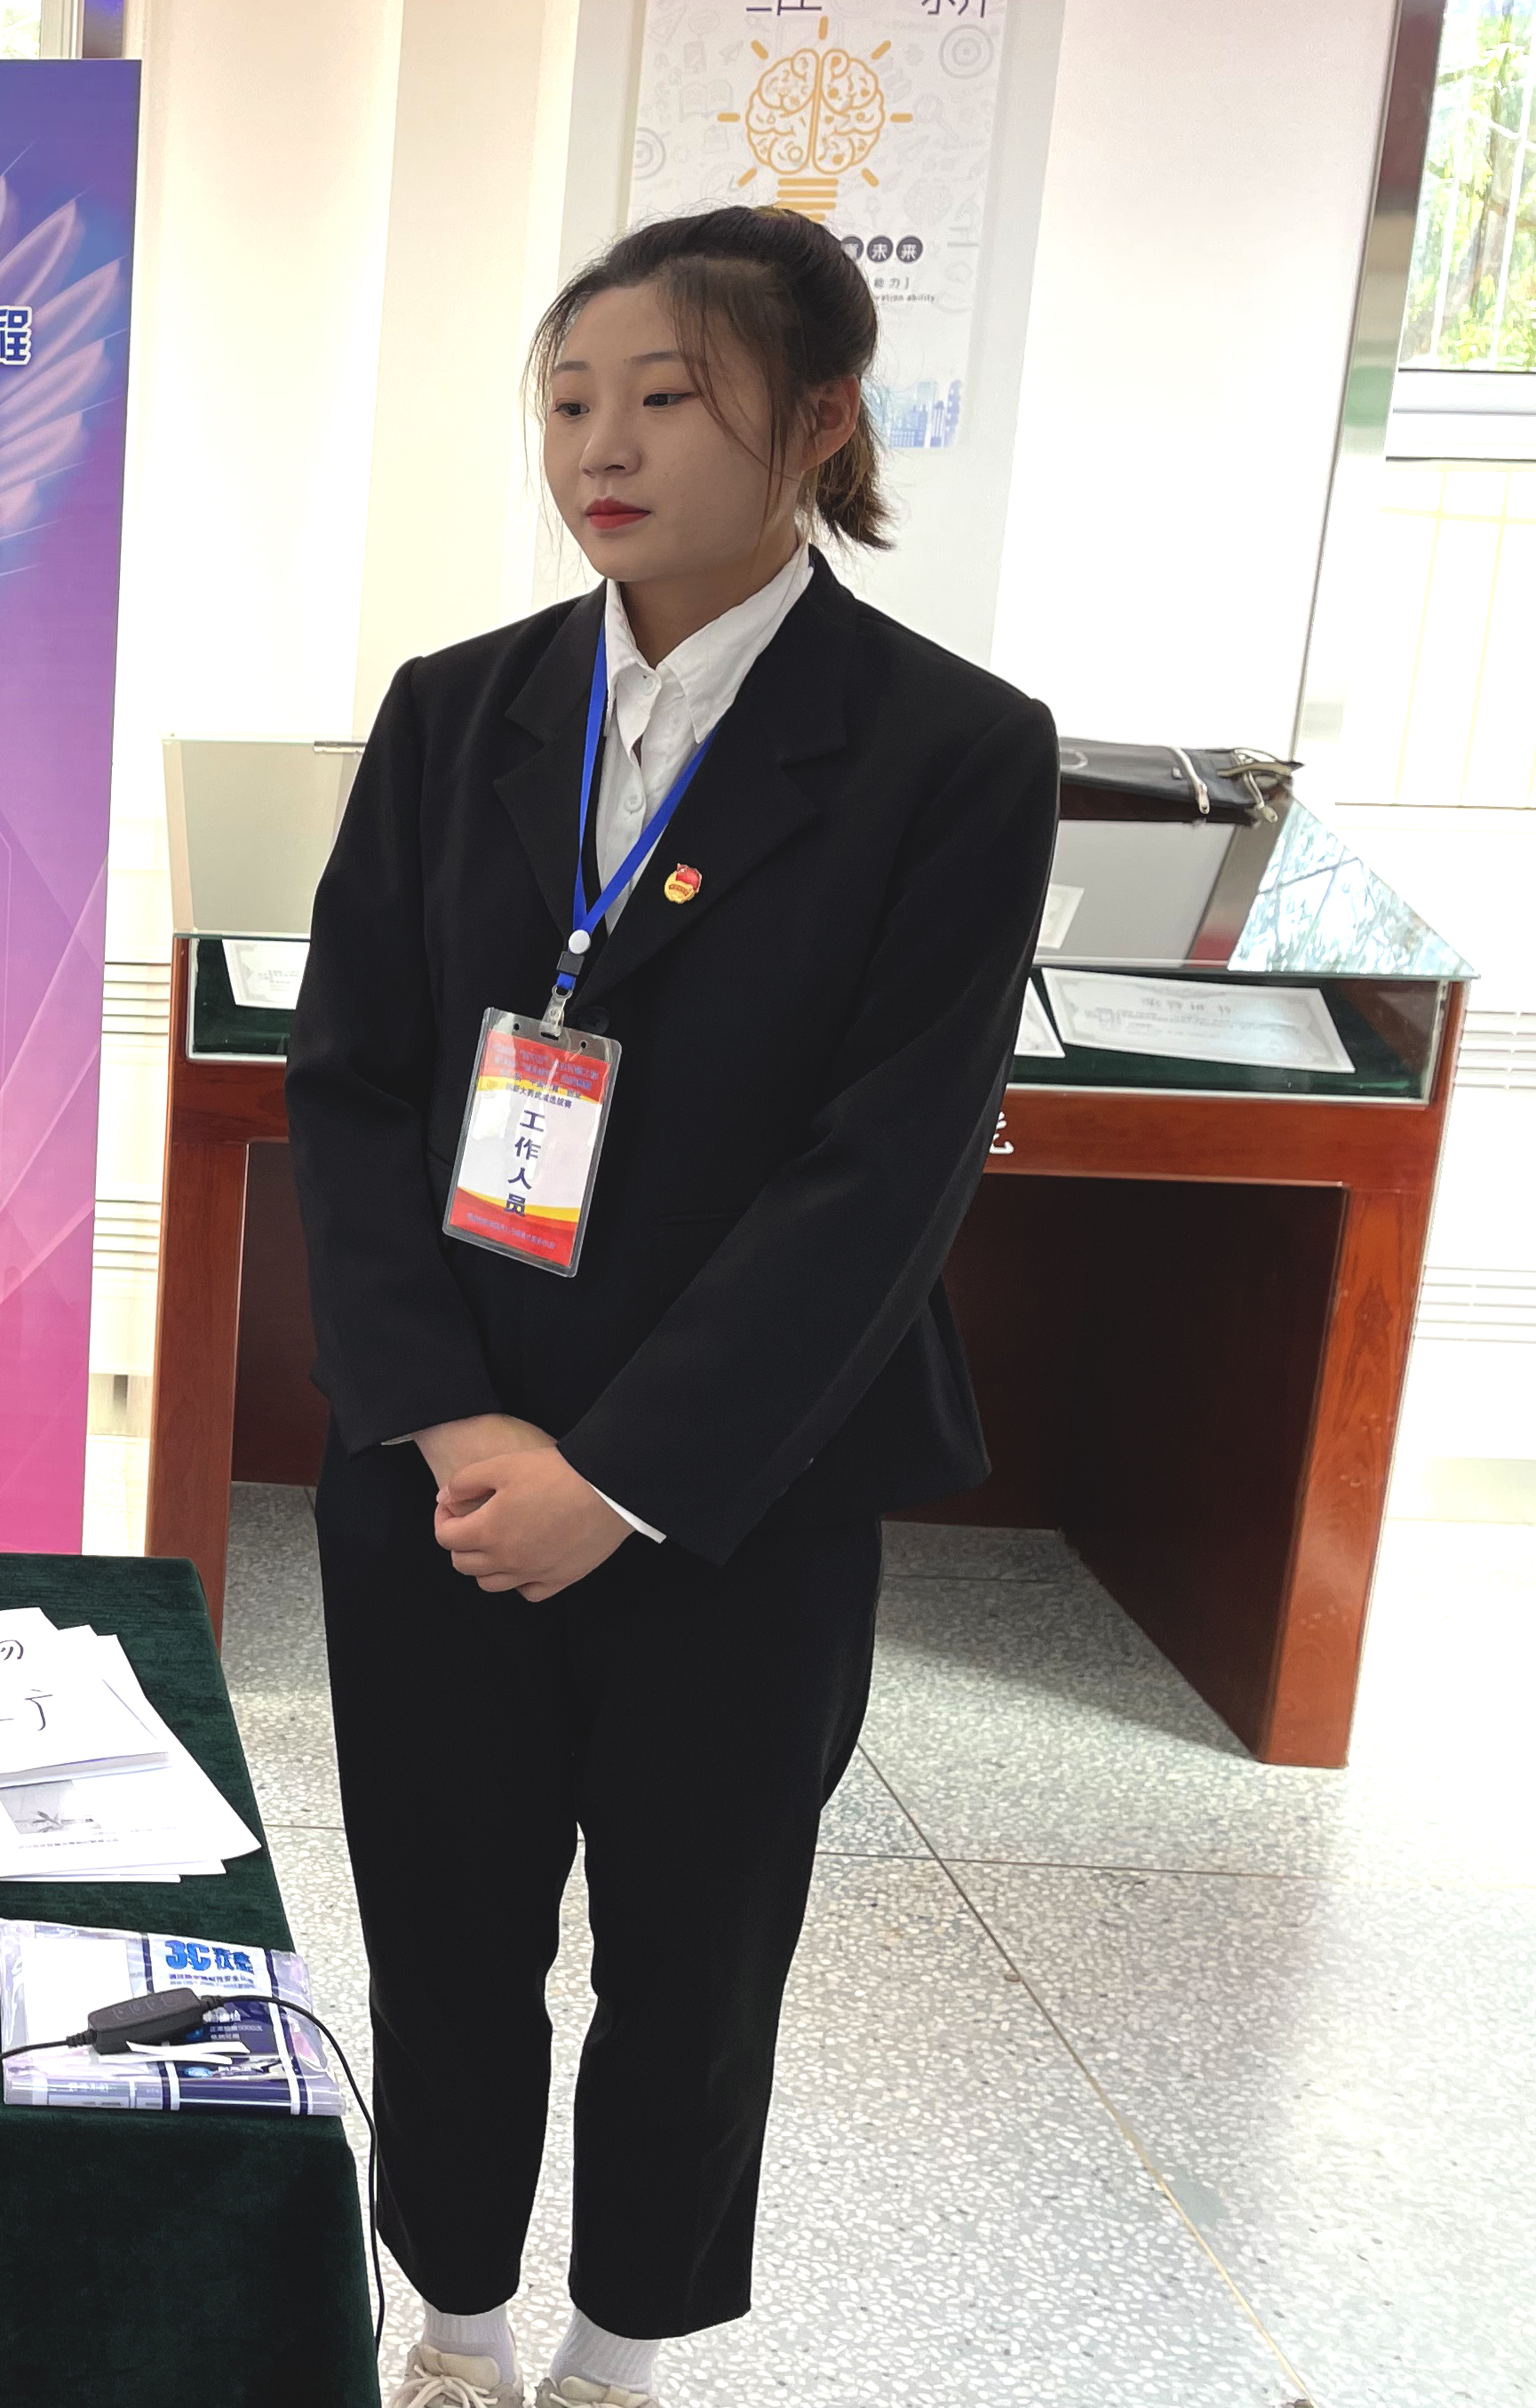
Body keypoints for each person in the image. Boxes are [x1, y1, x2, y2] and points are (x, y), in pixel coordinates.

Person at [286, 208, 1059, 2408]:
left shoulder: (949, 749)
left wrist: (618, 1478)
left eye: (664, 398)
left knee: (697, 1958)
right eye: (568, 401)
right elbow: (350, 1086)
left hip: (740, 1494)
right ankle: (451, 2325)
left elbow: (886, 1172)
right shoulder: (459, 712)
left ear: (817, 424)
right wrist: (458, 1428)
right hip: (442, 1475)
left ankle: (620, 2351)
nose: (599, 449)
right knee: (445, 1930)